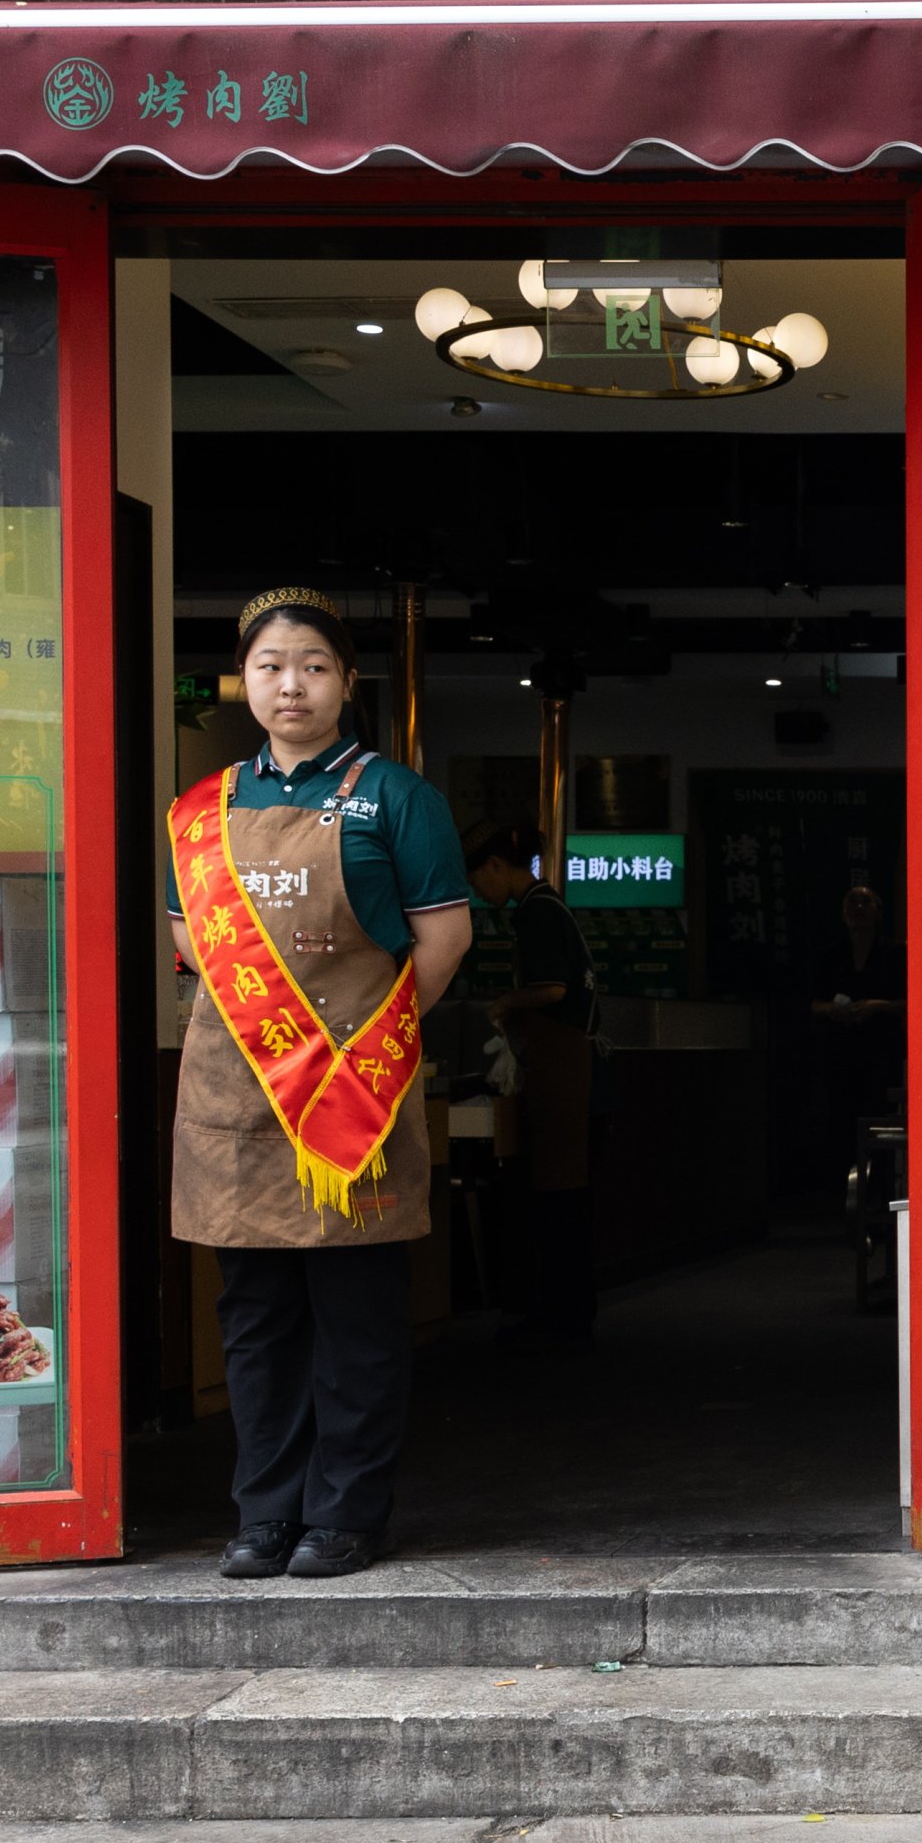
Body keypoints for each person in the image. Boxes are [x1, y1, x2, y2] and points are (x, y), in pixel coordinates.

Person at [166, 590, 476, 1580]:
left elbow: (443, 941)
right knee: (254, 1323)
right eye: (269, 666)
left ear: (346, 681)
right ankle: (264, 1513)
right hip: (237, 1107)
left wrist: (367, 1044)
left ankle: (344, 1513)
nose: (289, 683)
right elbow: (189, 945)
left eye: (311, 665)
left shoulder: (397, 797)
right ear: (243, 682)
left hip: (354, 1095)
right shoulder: (201, 811)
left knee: (356, 1323)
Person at [466, 823, 597, 1349]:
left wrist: (503, 1004)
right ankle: (566, 1309)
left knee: (557, 1190)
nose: (479, 892)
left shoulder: (537, 911)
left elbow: (550, 989)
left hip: (559, 1065)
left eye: (479, 880)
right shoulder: (551, 905)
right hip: (566, 1063)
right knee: (563, 1190)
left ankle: (561, 1315)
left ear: (498, 865)